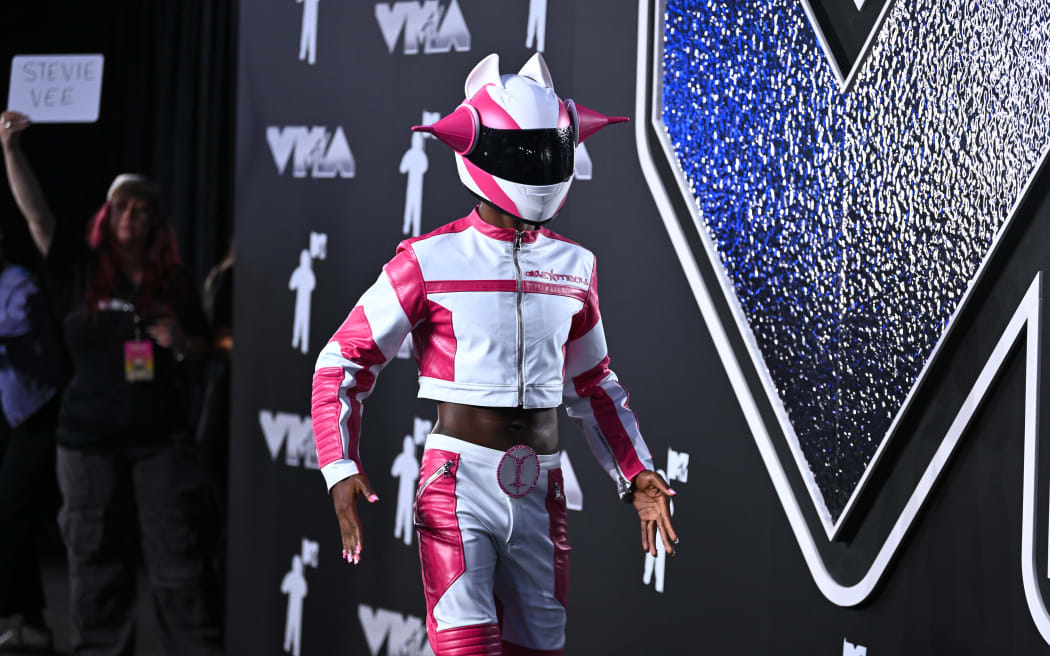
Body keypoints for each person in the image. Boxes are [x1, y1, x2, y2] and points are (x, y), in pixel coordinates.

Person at [311, 53, 678, 656]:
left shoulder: (574, 266)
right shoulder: (427, 260)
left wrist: (637, 473)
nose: (536, 166)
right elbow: (342, 362)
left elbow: (595, 384)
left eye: (546, 152)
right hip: (458, 482)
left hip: (542, 483)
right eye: (523, 153)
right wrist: (339, 466)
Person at [1, 109, 222, 656]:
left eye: (143, 210)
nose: (131, 216)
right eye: (123, 206)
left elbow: (201, 356)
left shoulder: (173, 281)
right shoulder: (79, 268)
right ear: (108, 215)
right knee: (96, 568)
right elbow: (37, 218)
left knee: (179, 567)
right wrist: (11, 151)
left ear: (154, 223)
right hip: (87, 443)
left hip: (160, 443)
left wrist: (183, 344)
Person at [0, 238, 65, 652]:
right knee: (11, 517)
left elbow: (21, 325)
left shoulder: (19, 284)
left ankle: (26, 618)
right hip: (15, 415)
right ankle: (28, 618)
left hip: (42, 412)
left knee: (12, 514)